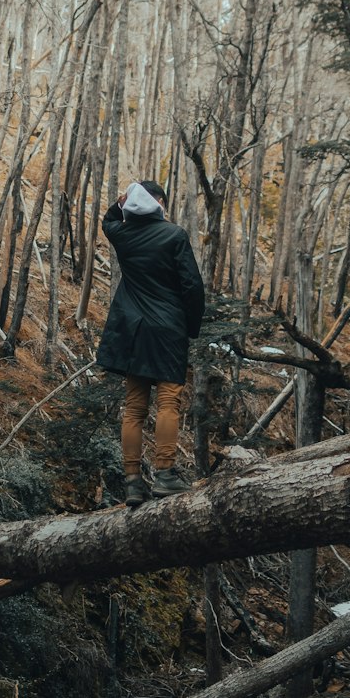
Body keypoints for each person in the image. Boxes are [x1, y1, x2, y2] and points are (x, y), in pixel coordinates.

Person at [97, 179, 205, 507]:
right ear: (158, 202)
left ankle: (132, 482)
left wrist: (120, 202)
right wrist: (192, 325)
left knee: (134, 407)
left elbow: (108, 220)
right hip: (168, 329)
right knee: (168, 402)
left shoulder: (123, 235)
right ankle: (165, 475)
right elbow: (192, 287)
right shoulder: (174, 235)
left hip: (133, 331)